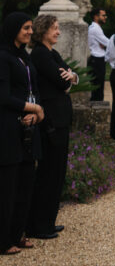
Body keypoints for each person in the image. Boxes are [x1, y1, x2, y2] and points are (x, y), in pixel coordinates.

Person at [27, 14, 78, 239]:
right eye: (54, 28)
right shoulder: (40, 54)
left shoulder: (52, 53)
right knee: (49, 172)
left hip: (60, 119)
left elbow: (71, 76)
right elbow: (62, 80)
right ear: (43, 30)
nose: (58, 32)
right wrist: (68, 80)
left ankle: (48, 220)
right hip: (51, 121)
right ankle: (39, 225)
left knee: (57, 172)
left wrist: (71, 78)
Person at [0, 13, 44, 255]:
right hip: (8, 129)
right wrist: (33, 108)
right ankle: (3, 240)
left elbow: (33, 89)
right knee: (7, 187)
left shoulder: (24, 58)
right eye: (26, 28)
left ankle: (18, 234)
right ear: (13, 29)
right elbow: (3, 96)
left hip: (28, 128)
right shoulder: (3, 57)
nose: (30, 32)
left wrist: (36, 113)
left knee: (25, 183)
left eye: (31, 28)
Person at [87, 8, 108, 102]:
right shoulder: (95, 29)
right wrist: (105, 45)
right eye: (103, 15)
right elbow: (109, 43)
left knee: (97, 88)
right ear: (96, 17)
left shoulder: (95, 27)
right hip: (97, 60)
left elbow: (106, 44)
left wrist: (104, 45)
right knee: (97, 88)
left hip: (96, 59)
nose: (105, 17)